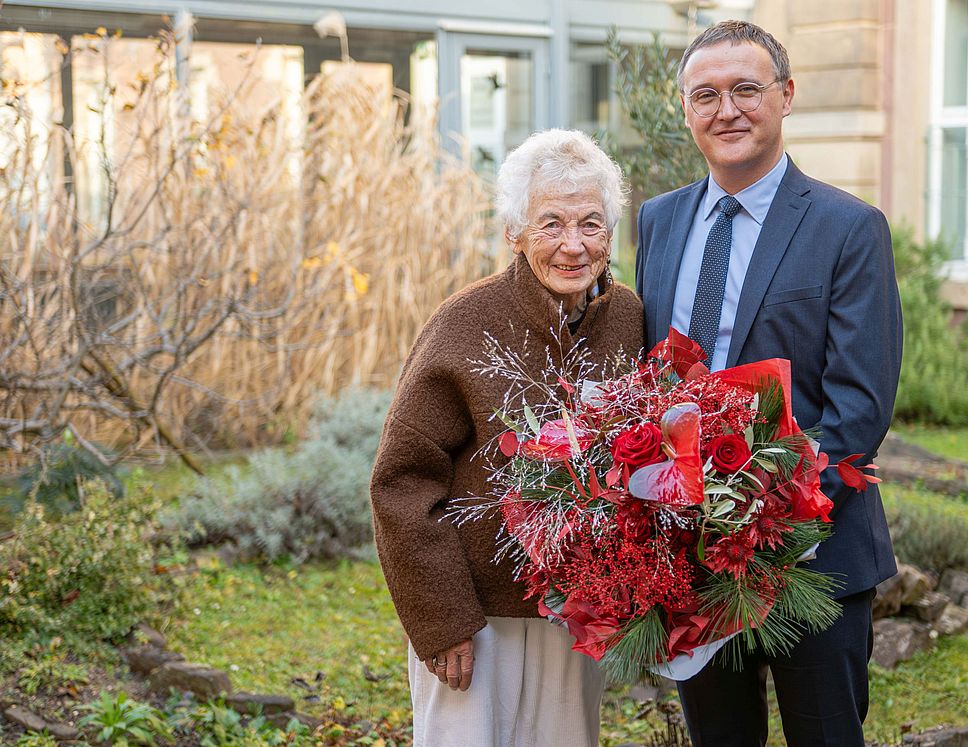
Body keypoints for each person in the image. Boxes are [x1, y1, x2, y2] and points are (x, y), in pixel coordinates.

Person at [634, 20, 903, 746]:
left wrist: (753, 511)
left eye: (747, 89)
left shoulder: (849, 227)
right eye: (706, 94)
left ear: (786, 96)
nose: (728, 110)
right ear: (685, 109)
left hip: (814, 551)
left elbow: (860, 405)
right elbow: (646, 380)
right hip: (687, 556)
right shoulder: (657, 222)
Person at [369, 129, 644, 746]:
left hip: (579, 614)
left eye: (591, 224)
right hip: (476, 617)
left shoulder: (630, 318)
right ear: (513, 233)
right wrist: (441, 617)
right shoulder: (465, 323)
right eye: (551, 224)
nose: (573, 246)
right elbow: (401, 481)